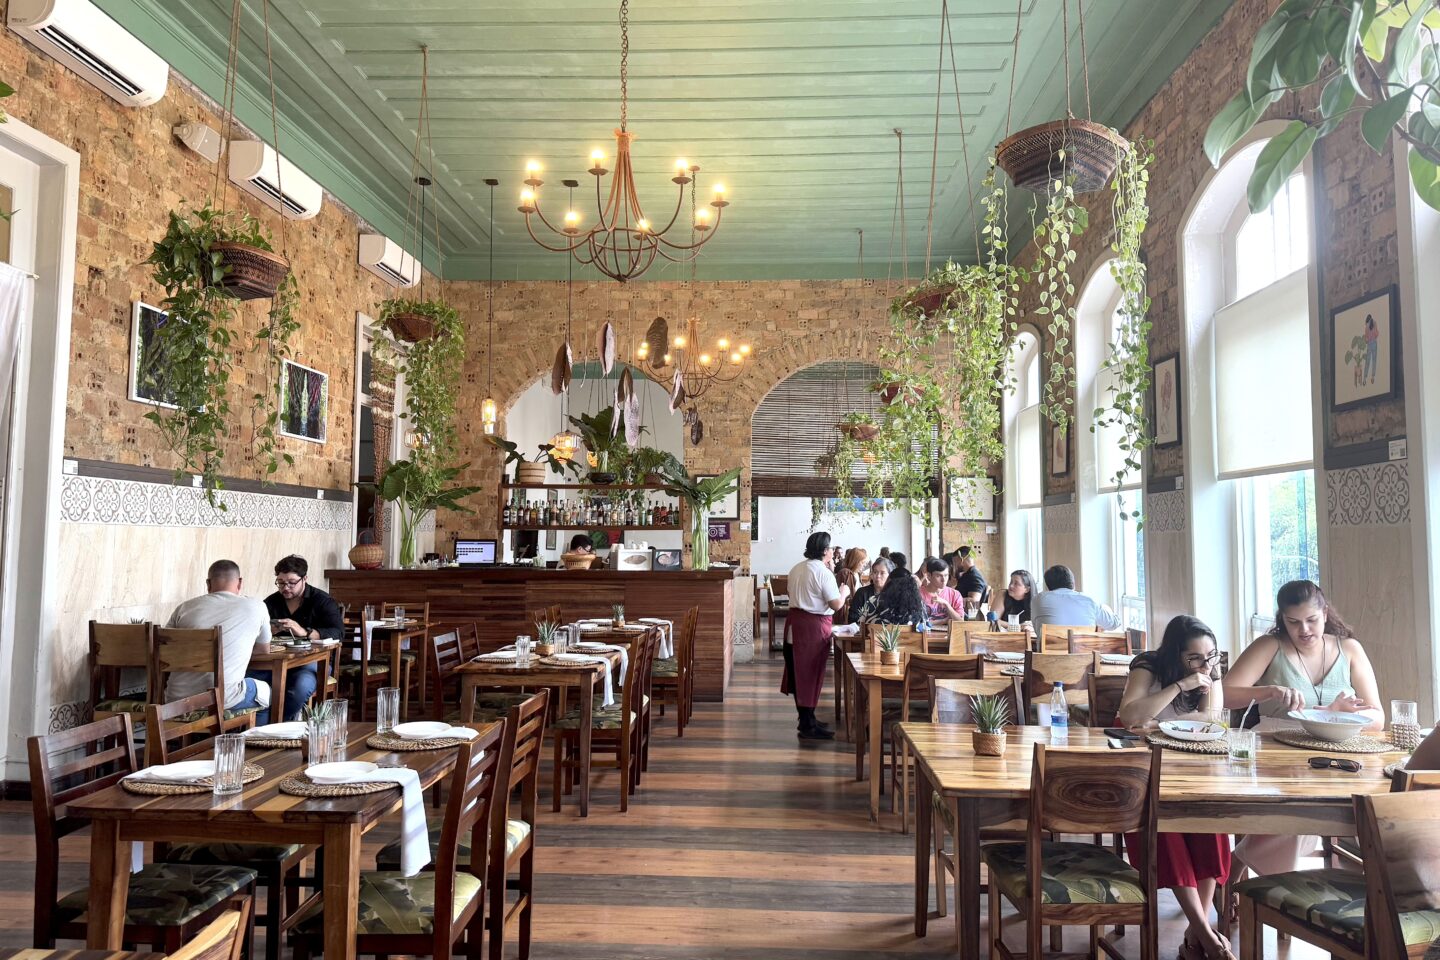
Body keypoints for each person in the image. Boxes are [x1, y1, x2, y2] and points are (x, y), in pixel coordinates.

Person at [1223, 579, 1383, 876]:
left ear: (1325, 614)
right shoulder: (1270, 645)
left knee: (1361, 803)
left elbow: (1378, 719)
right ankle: (1267, 881)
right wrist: (1268, 691)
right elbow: (1224, 694)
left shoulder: (1349, 649)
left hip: (1334, 754)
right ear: (1282, 619)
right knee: (1298, 802)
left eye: (1312, 620)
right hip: (1274, 750)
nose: (1304, 630)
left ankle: (1242, 863)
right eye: (1293, 622)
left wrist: (1342, 715)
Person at [1117, 615, 1233, 960]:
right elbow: (1130, 716)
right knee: (1163, 827)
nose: (1205, 665)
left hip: (1190, 763)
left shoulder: (1212, 669)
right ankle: (1206, 936)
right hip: (1140, 766)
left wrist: (1159, 724)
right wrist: (1180, 686)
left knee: (1210, 826)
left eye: (1210, 656)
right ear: (1175, 655)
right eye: (1194, 658)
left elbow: (1212, 719)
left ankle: (1195, 933)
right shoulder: (1149, 666)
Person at [166, 559, 271, 723]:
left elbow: (166, 650)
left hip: (176, 698)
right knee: (267, 693)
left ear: (208, 583)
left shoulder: (184, 608)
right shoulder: (256, 606)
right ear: (240, 582)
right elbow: (264, 649)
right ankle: (252, 738)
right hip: (222, 698)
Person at [779, 531, 850, 740]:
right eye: (831, 548)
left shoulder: (796, 568)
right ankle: (807, 725)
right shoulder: (822, 572)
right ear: (825, 551)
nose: (832, 551)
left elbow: (792, 595)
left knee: (798, 674)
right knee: (810, 674)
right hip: (813, 628)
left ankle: (807, 719)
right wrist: (844, 592)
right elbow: (835, 605)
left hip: (794, 625)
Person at [257, 555, 344, 721]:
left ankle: (277, 725)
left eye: (291, 582)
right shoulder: (271, 602)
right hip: (276, 662)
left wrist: (305, 632)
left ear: (304, 579)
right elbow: (255, 631)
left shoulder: (322, 601)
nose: (285, 588)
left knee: (299, 688)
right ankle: (260, 729)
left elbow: (338, 633)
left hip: (314, 661)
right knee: (251, 682)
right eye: (280, 583)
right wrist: (268, 631)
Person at [1029, 565, 1122, 629]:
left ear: (1048, 586)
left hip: (1049, 652)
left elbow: (1037, 627)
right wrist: (1105, 607)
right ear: (1073, 583)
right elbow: (1114, 624)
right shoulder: (1088, 601)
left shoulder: (1038, 600)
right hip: (1084, 652)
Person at [867, 558, 927, 626]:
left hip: (878, 632)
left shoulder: (873, 601)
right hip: (909, 633)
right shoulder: (918, 604)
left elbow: (862, 624)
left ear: (889, 582)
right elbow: (926, 625)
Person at [919, 557, 965, 622]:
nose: (943, 580)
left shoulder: (955, 594)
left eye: (946, 575)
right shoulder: (918, 594)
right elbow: (916, 623)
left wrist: (946, 604)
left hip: (949, 629)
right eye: (938, 576)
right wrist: (943, 621)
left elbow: (960, 621)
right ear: (929, 576)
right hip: (926, 629)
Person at [847, 556, 889, 624]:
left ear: (889, 576)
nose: (878, 576)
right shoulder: (862, 593)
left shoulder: (895, 595)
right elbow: (852, 618)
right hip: (863, 629)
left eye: (882, 573)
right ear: (871, 575)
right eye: (875, 572)